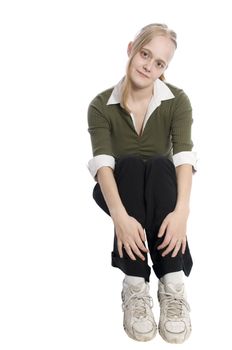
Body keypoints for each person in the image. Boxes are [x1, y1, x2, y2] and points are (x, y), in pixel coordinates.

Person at [87, 23, 197, 344]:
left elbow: (184, 161)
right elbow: (104, 168)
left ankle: (171, 282)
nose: (149, 66)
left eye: (159, 63)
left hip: (163, 188)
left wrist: (181, 215)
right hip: (116, 191)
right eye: (145, 54)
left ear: (165, 69)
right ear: (132, 47)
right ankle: (136, 284)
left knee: (161, 164)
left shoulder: (177, 101)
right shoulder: (100, 105)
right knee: (131, 164)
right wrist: (120, 218)